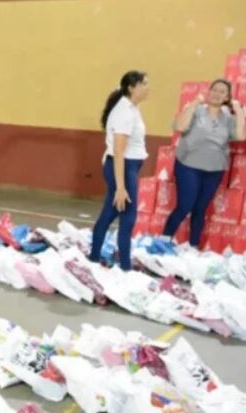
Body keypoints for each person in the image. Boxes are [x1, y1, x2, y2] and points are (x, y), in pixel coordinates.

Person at [164, 79, 246, 246]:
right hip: (189, 166)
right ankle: (162, 241)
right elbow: (179, 126)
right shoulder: (197, 111)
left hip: (214, 169)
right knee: (184, 206)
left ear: (227, 97)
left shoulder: (229, 119)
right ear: (209, 92)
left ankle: (193, 246)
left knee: (200, 209)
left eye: (222, 92)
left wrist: (238, 110)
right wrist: (194, 103)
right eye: (214, 90)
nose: (217, 94)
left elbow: (241, 136)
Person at [88, 70, 150, 271]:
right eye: (144, 84)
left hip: (128, 166)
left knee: (109, 213)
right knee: (128, 217)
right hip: (122, 167)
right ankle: (125, 267)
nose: (148, 88)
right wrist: (121, 188)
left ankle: (94, 257)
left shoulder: (132, 108)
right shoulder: (124, 112)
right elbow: (118, 151)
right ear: (132, 87)